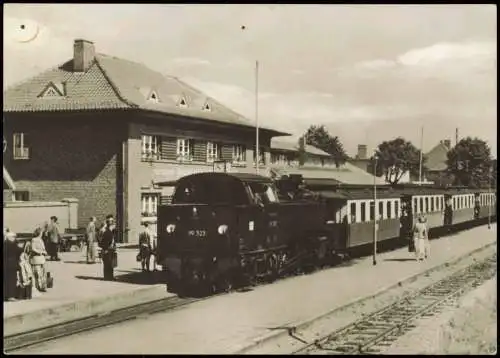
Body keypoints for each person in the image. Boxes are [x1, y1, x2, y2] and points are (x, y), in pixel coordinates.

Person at [3, 231, 21, 301]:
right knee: (12, 280)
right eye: (14, 237)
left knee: (6, 280)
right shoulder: (12, 244)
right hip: (12, 264)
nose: (15, 238)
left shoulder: (4, 244)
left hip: (5, 264)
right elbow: (19, 251)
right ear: (10, 237)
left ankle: (5, 295)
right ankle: (11, 296)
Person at [99, 214, 118, 281]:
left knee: (110, 264)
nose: (114, 225)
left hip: (110, 250)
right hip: (107, 250)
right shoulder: (107, 232)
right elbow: (104, 242)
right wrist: (106, 249)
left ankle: (109, 277)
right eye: (113, 223)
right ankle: (108, 277)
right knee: (108, 264)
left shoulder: (110, 232)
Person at [29, 226, 48, 292]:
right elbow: (33, 248)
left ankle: (43, 286)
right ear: (39, 233)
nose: (42, 233)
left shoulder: (41, 240)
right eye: (41, 232)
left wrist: (45, 252)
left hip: (42, 259)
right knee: (37, 273)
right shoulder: (34, 240)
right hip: (36, 259)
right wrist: (41, 252)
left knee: (43, 273)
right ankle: (38, 286)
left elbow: (43, 248)